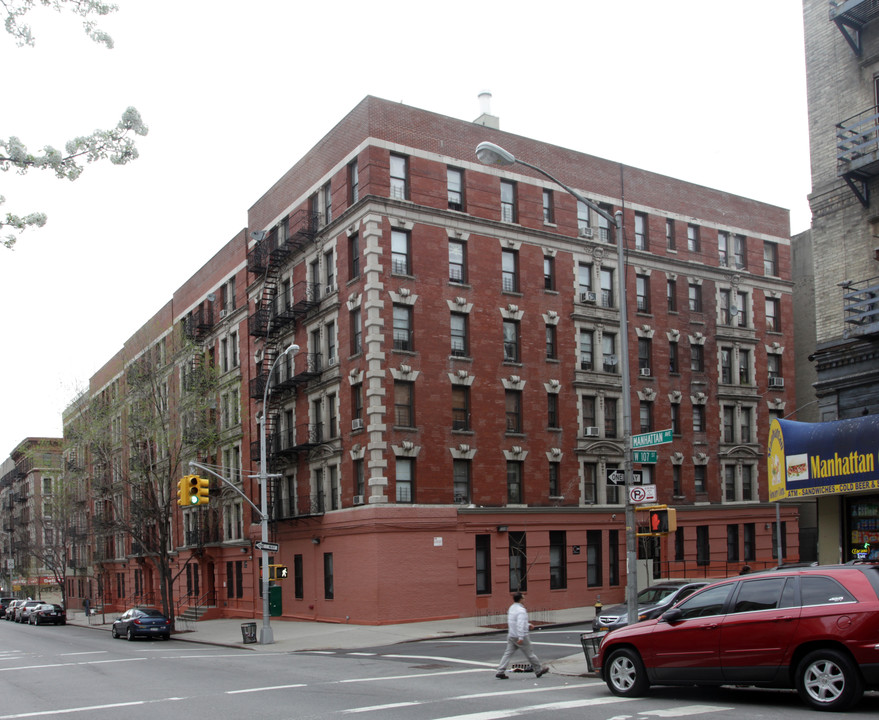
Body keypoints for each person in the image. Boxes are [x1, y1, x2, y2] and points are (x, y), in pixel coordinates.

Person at [495, 592, 548, 679]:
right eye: (523, 598)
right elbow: (519, 624)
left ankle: (500, 671)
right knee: (530, 654)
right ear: (520, 599)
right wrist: (521, 637)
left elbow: (514, 621)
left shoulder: (511, 608)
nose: (524, 599)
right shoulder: (521, 611)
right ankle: (538, 670)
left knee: (507, 654)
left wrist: (527, 625)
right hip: (520, 635)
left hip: (511, 635)